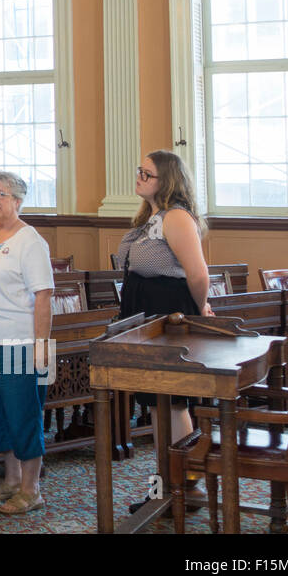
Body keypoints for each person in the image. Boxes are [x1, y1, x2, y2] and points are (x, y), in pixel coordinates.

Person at [116, 149, 213, 508]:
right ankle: (167, 487)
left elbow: (198, 274)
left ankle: (186, 485)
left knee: (172, 402)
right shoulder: (150, 217)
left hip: (168, 317)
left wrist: (197, 309)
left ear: (167, 180)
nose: (139, 177)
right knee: (156, 403)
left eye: (148, 173)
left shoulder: (176, 218)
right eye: (139, 170)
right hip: (146, 314)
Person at [0, 171, 53, 515]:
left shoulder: (30, 241)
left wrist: (42, 347)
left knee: (23, 415)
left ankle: (32, 489)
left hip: (18, 345)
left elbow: (44, 297)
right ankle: (12, 479)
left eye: (0, 194)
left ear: (18, 201)